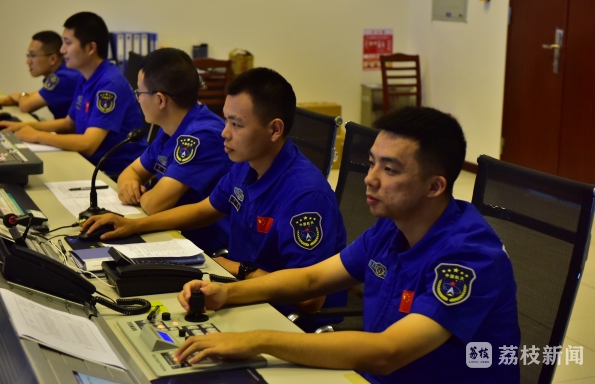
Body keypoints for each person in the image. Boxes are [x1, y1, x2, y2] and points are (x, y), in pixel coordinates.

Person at [173, 107, 521, 383]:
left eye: (390, 169)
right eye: (371, 163)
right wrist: (226, 293)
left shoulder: (468, 257)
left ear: (434, 187)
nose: (370, 178)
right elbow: (311, 279)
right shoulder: (391, 228)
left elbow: (389, 351)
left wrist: (259, 340)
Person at [82, 67, 347, 323]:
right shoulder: (247, 164)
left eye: (236, 124)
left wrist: (241, 270)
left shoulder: (305, 195)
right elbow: (205, 209)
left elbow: (311, 298)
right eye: (226, 120)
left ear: (275, 130)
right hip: (242, 291)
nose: (224, 133)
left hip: (284, 316)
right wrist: (133, 225)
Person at [0, 12, 147, 176]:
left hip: (114, 174)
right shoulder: (85, 77)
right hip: (90, 165)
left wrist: (37, 135)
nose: (62, 50)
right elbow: (69, 123)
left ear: (90, 48)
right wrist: (23, 126)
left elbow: (88, 144)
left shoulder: (109, 85)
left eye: (68, 43)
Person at [118, 47, 232, 254]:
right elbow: (131, 172)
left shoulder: (201, 136)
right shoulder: (171, 126)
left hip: (206, 248)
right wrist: (130, 185)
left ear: (160, 100)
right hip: (173, 235)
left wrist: (139, 194)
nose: (138, 99)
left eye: (139, 92)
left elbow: (155, 205)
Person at [0, 31, 80, 119]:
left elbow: (26, 106)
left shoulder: (63, 78)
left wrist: (21, 95)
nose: (28, 61)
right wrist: (4, 100)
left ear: (52, 59)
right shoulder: (64, 71)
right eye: (28, 55)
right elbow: (40, 94)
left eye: (32, 55)